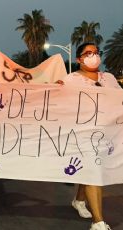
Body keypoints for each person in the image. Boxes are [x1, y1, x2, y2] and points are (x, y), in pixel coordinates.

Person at [62, 43, 119, 230]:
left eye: (96, 52)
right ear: (79, 59)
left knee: (93, 170)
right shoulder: (70, 79)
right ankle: (98, 222)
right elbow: (45, 94)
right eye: (88, 53)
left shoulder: (109, 78)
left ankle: (79, 200)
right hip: (83, 136)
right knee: (93, 172)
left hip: (107, 136)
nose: (93, 56)